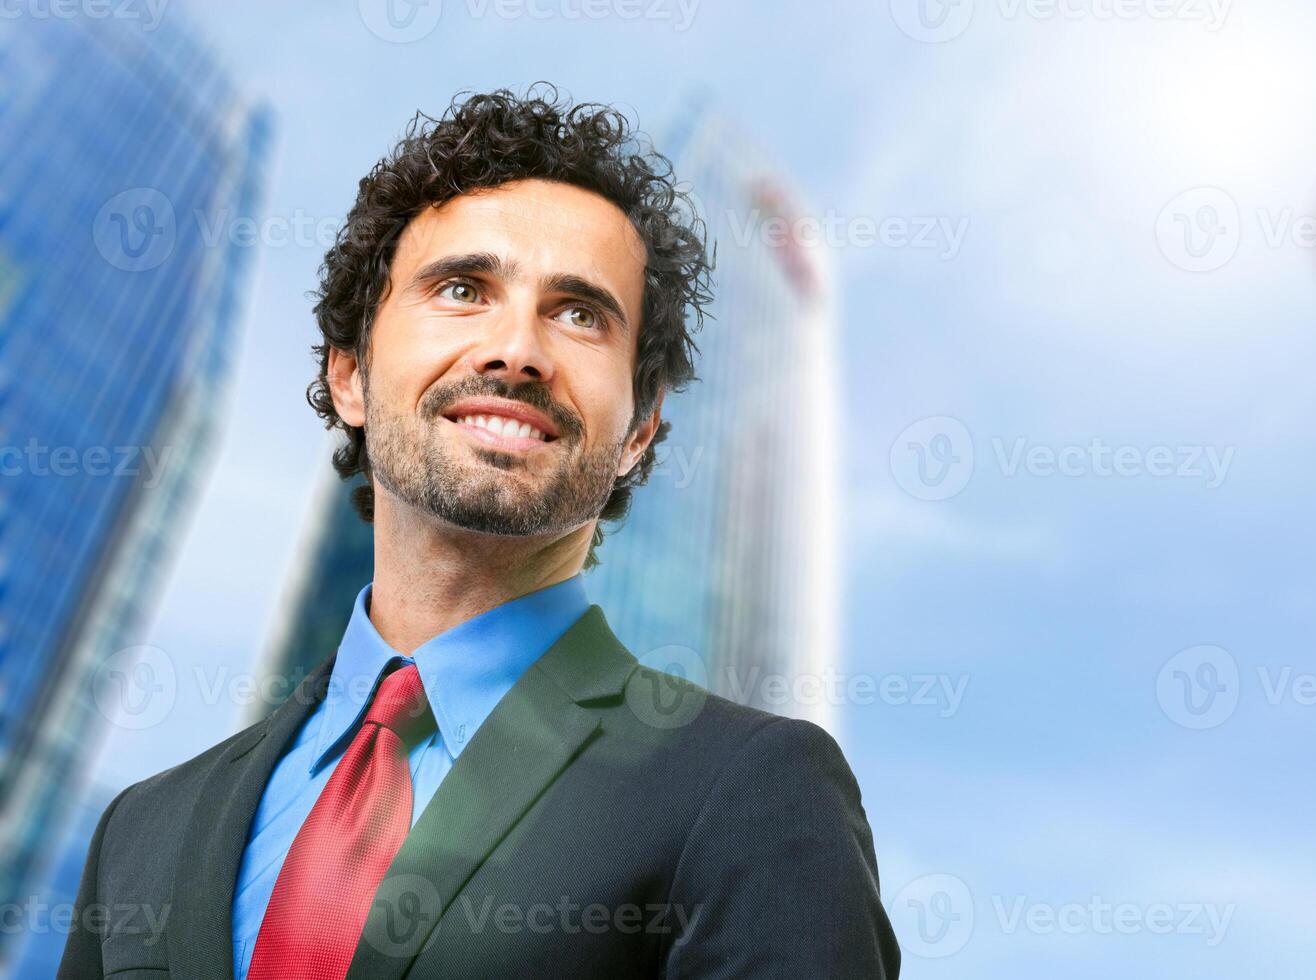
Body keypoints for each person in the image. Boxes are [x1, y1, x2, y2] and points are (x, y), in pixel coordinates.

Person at [59, 85, 898, 980]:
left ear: (641, 429)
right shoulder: (139, 833)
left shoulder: (752, 790)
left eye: (580, 313)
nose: (517, 349)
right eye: (463, 288)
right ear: (349, 374)